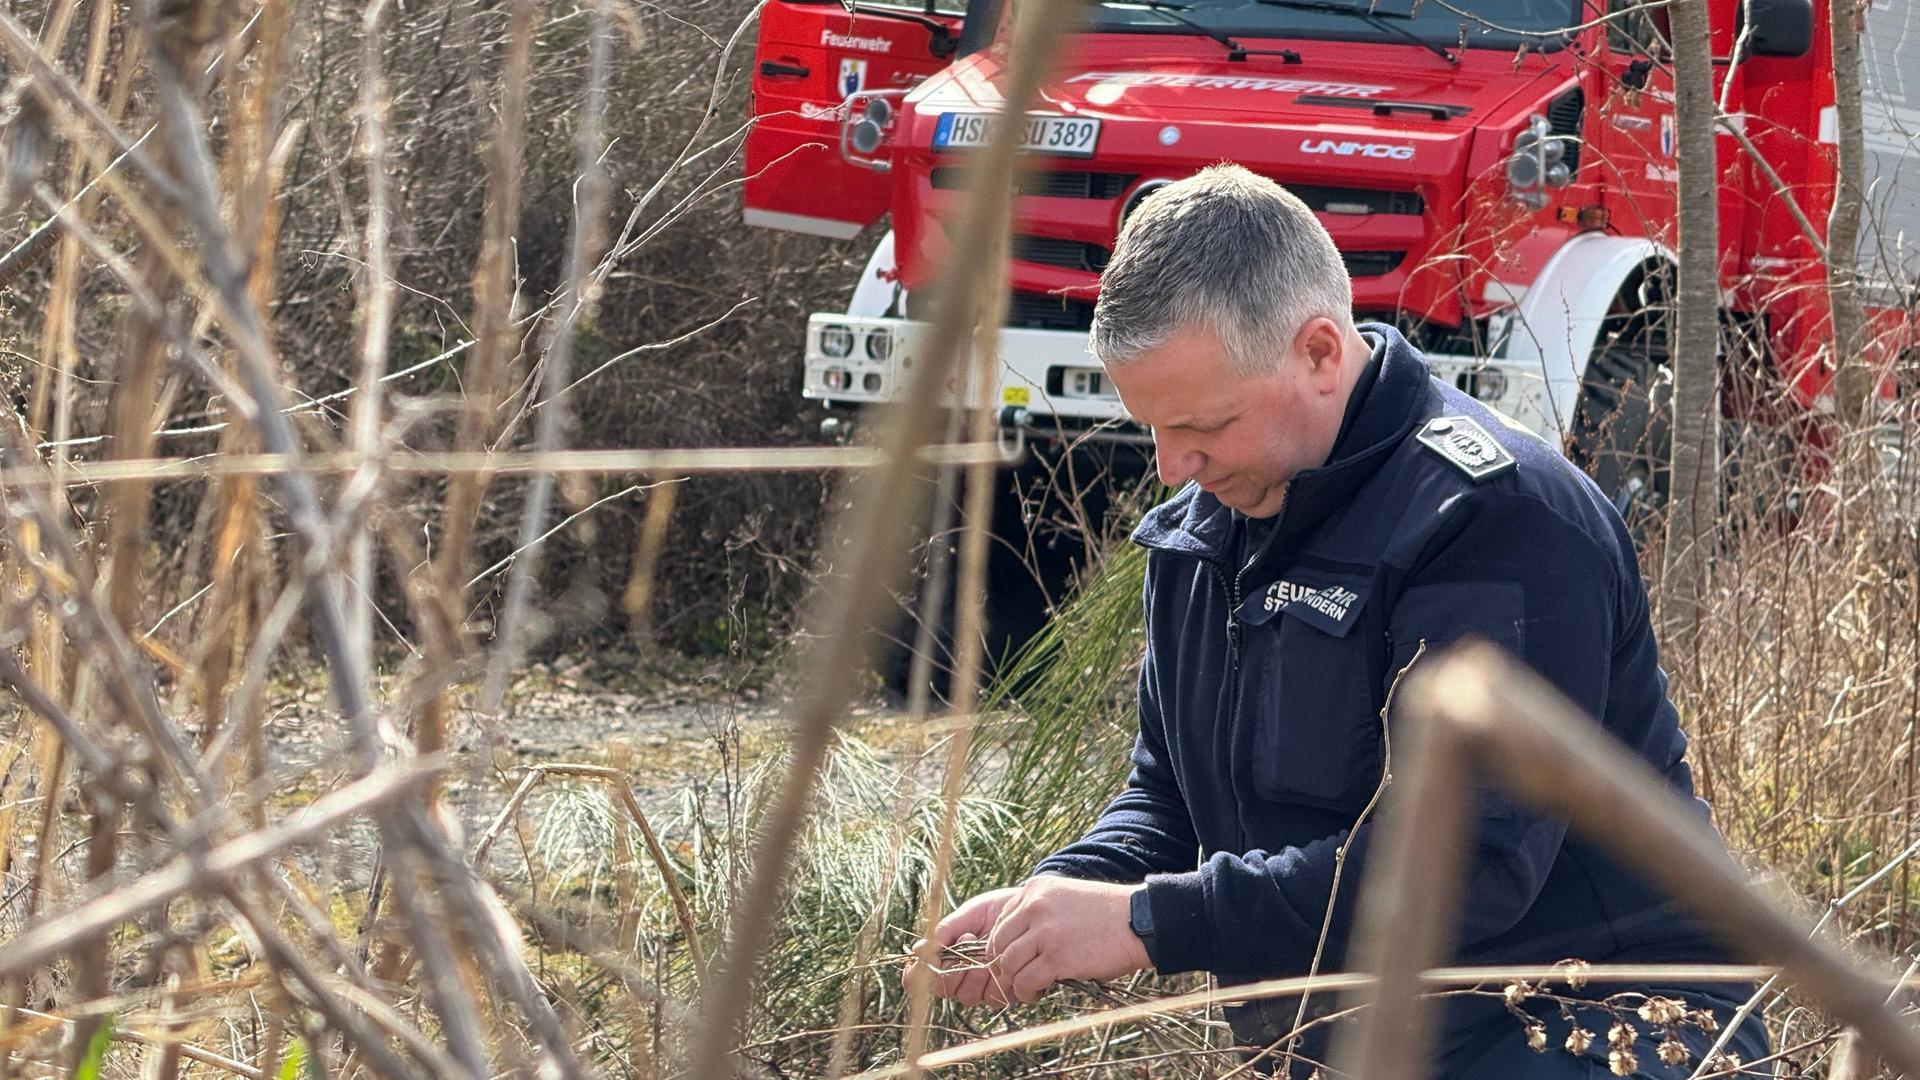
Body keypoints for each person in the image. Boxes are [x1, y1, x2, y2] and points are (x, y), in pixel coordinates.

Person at [905, 164, 1771, 1078]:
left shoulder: (1494, 518)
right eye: (1151, 427)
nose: (1171, 467)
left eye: (1205, 424)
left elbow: (1467, 863)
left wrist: (1148, 923)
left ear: (1320, 353)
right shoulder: (1208, 527)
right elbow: (1168, 797)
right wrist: (1063, 896)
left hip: (1593, 1030)